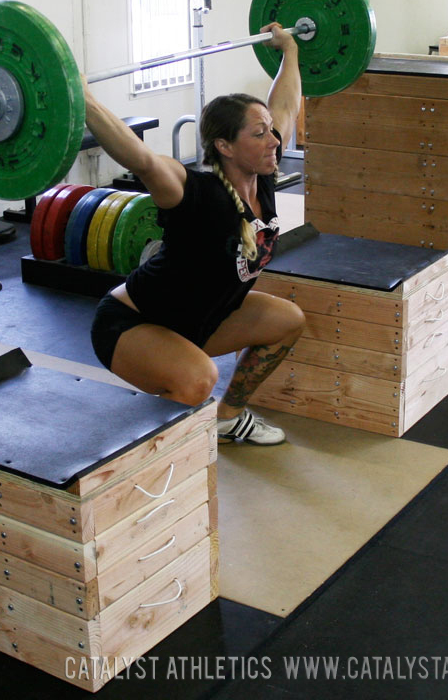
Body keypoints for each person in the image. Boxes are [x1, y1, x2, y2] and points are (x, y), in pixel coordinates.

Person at [87, 23, 305, 445]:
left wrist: (290, 50)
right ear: (224, 147)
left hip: (200, 321)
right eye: (258, 134)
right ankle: (166, 464)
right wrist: (85, 102)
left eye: (270, 132)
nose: (273, 141)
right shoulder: (194, 193)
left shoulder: (262, 178)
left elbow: (286, 106)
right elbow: (144, 159)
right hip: (134, 324)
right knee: (197, 380)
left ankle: (228, 417)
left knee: (288, 321)